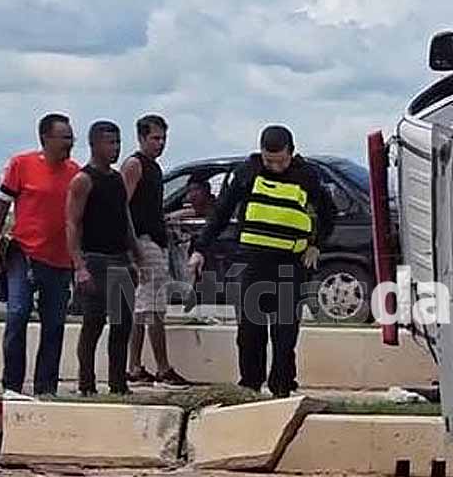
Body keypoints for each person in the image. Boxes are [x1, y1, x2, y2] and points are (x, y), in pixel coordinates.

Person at [188, 125, 336, 397]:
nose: (275, 167)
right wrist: (200, 248)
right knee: (250, 331)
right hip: (253, 262)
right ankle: (250, 385)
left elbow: (329, 213)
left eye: (280, 161)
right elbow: (220, 214)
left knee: (284, 333)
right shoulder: (247, 172)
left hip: (291, 265)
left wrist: (316, 245)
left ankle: (282, 387)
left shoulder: (306, 175)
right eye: (270, 161)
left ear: (291, 153)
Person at [0, 113, 80, 396]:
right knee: (17, 314)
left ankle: (45, 387)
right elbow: (0, 209)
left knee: (54, 324)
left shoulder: (76, 173)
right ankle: (12, 385)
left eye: (71, 137)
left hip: (60, 260)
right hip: (23, 254)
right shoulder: (21, 165)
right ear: (45, 139)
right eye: (64, 137)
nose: (69, 143)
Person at [67, 121, 144, 396]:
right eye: (109, 143)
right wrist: (79, 266)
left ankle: (118, 383)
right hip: (95, 259)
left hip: (120, 258)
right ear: (94, 144)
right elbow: (72, 223)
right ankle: (86, 384)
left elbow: (125, 218)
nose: (114, 148)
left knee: (123, 324)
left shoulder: (116, 180)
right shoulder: (83, 180)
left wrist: (137, 255)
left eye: (117, 143)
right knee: (93, 324)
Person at [123, 114, 191, 388]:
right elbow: (122, 207)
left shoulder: (155, 168)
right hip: (143, 242)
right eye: (155, 138)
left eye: (163, 138)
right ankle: (161, 367)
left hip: (156, 239)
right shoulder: (135, 165)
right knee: (152, 308)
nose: (160, 144)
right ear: (141, 138)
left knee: (144, 308)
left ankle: (135, 366)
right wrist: (132, 247)